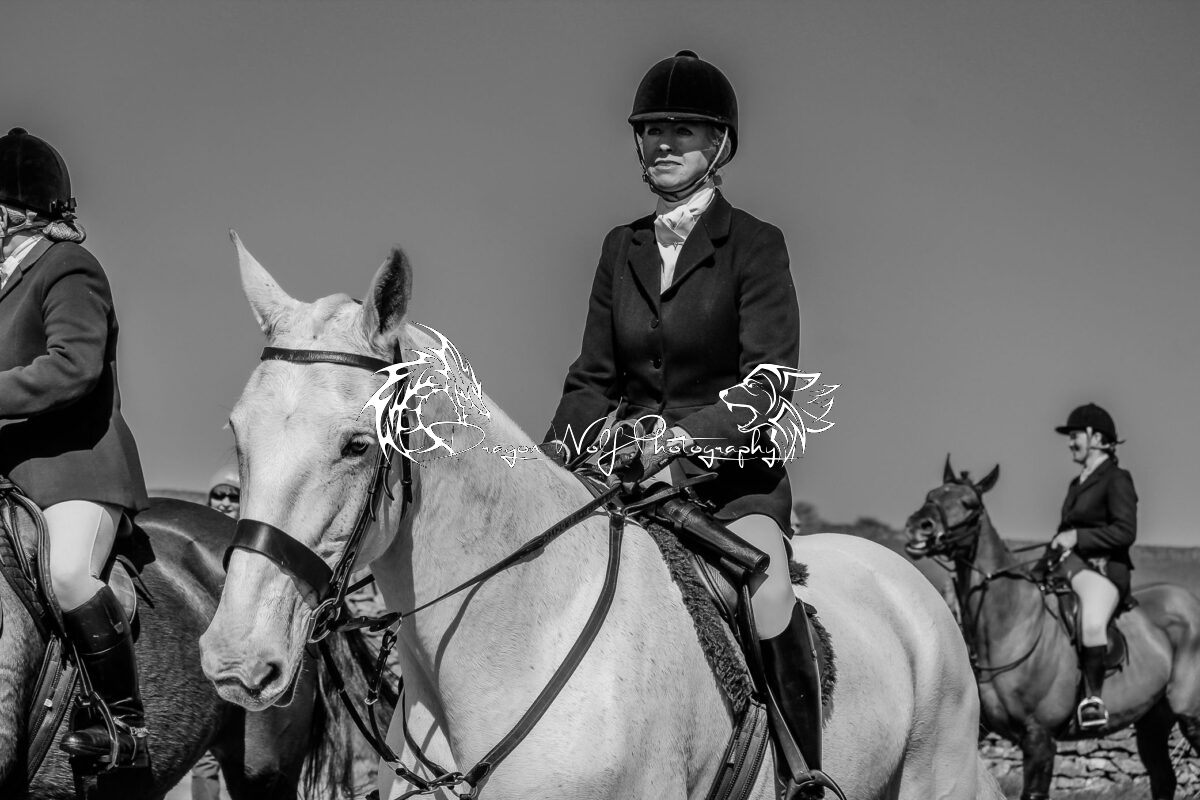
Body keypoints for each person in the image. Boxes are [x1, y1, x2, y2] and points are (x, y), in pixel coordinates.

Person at [543, 52, 833, 797]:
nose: (663, 142)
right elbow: (592, 380)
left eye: (683, 130)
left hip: (734, 488)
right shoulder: (621, 247)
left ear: (719, 143)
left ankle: (803, 775)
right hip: (627, 483)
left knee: (769, 594)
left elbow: (769, 387)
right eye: (651, 130)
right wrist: (552, 465)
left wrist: (678, 445)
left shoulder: (757, 244)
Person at [0, 128, 151, 764]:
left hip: (73, 467)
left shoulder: (68, 267)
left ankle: (125, 725)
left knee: (67, 573)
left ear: (10, 215)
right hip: (10, 472)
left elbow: (74, 365)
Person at [1050, 402, 1137, 729]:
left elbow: (1125, 532)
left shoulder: (1117, 479)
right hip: (1070, 568)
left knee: (1091, 622)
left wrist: (1079, 537)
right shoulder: (1076, 483)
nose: (1070, 443)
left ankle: (1093, 700)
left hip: (1104, 572)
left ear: (1097, 439)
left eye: (1076, 436)